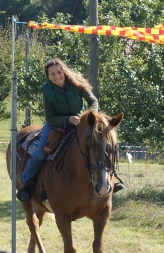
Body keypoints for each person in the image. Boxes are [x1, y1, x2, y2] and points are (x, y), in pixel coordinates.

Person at [17, 58, 122, 201]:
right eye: (52, 74)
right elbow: (50, 117)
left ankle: (109, 181)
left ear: (64, 71)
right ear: (48, 76)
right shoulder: (47, 91)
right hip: (56, 125)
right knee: (40, 153)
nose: (57, 76)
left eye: (59, 72)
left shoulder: (77, 83)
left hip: (80, 122)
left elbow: (93, 101)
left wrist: (87, 116)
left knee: (99, 147)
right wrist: (68, 120)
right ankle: (27, 183)